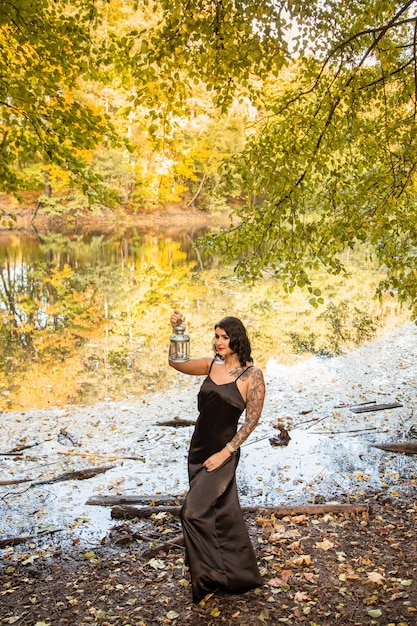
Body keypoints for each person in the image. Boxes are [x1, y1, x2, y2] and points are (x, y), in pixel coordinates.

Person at [169, 309, 265, 604]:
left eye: (224, 337)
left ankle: (208, 577)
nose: (218, 342)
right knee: (220, 513)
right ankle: (233, 576)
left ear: (236, 339)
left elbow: (251, 421)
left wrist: (226, 452)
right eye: (216, 336)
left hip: (223, 452)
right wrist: (178, 330)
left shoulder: (252, 375)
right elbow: (176, 362)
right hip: (198, 449)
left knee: (192, 512)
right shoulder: (210, 365)